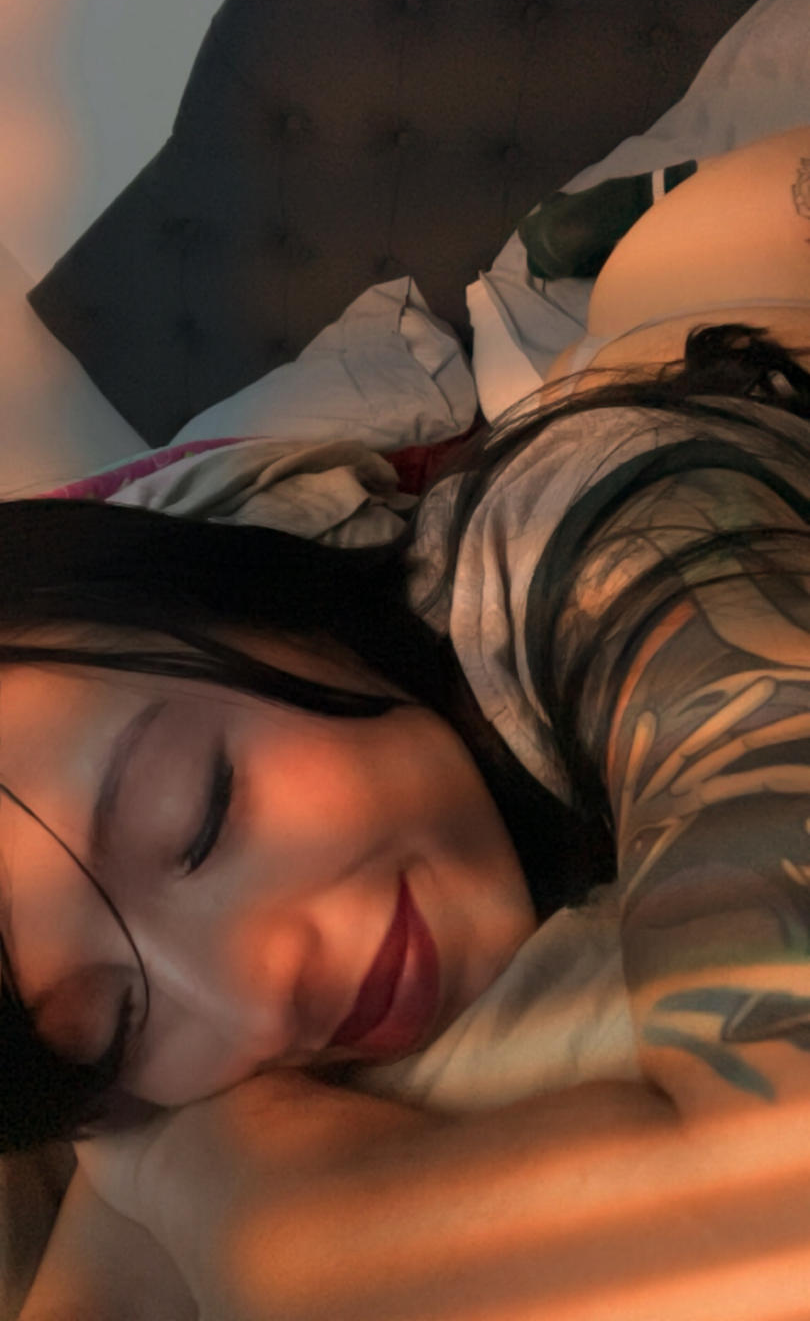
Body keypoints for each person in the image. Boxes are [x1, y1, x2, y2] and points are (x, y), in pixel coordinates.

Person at [11, 123, 810, 1317]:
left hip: (724, 305)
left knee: (685, 260)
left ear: (270, 612)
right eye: (114, 1028)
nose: (258, 1004)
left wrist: (244, 1208)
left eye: (200, 815)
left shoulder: (600, 550)